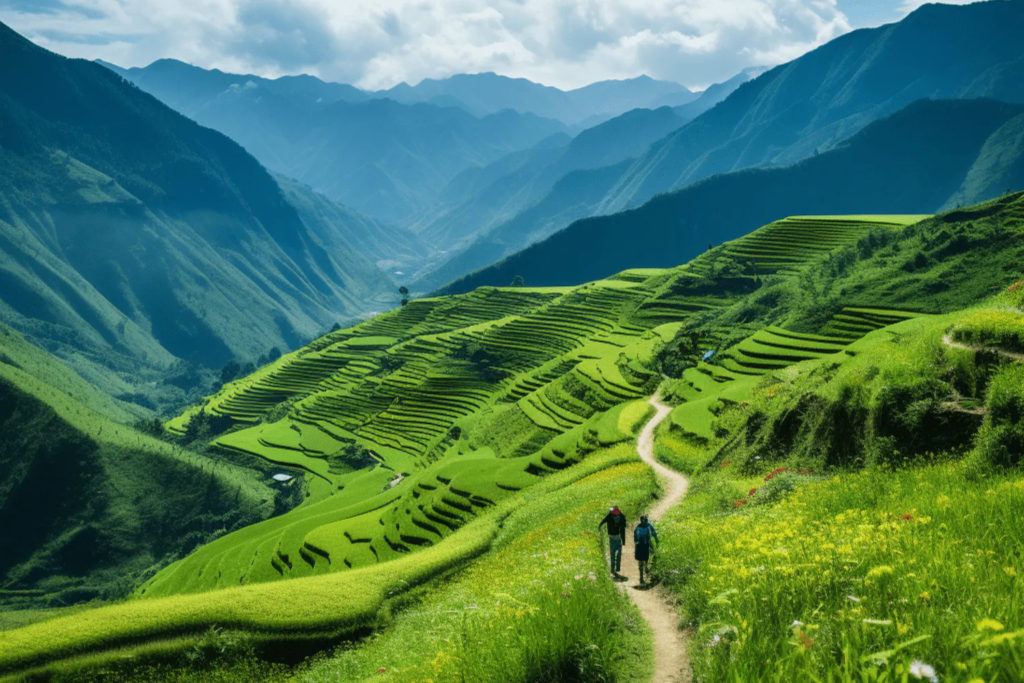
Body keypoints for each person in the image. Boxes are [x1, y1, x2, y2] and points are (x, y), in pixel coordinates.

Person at [598, 505, 627, 576]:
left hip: (611, 536)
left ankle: (612, 569)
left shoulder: (610, 516)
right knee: (618, 552)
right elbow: (622, 530)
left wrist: (599, 527)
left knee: (612, 552)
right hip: (617, 537)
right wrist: (623, 540)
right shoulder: (621, 517)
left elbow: (602, 521)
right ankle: (617, 568)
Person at [634, 514, 659, 585]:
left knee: (646, 557)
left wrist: (656, 539)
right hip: (642, 545)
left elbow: (653, 532)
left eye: (646, 520)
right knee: (641, 561)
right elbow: (636, 536)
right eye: (645, 520)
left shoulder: (645, 526)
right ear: (641, 520)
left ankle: (646, 568)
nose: (646, 521)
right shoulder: (640, 527)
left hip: (645, 543)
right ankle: (641, 577)